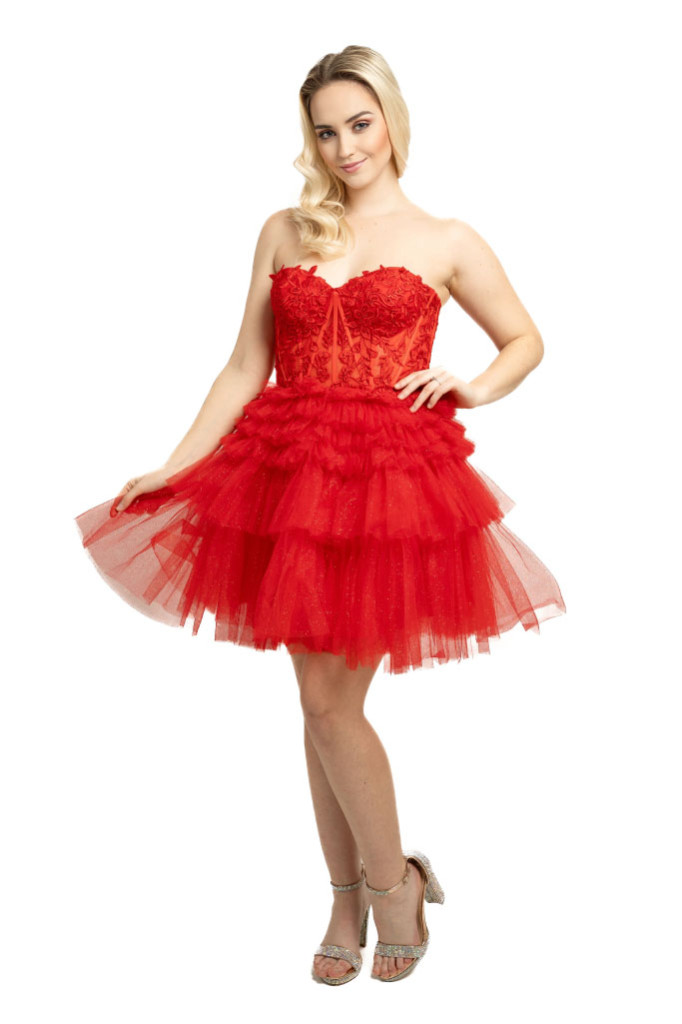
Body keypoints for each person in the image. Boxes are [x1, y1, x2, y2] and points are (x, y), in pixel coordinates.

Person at [74, 45, 566, 984]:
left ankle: (393, 887)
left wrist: (471, 386)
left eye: (360, 123)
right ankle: (350, 897)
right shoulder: (285, 229)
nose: (346, 147)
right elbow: (243, 367)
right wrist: (177, 465)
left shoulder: (447, 238)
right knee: (318, 703)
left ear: (392, 119)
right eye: (327, 131)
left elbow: (525, 339)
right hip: (287, 478)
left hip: (388, 486)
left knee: (329, 704)